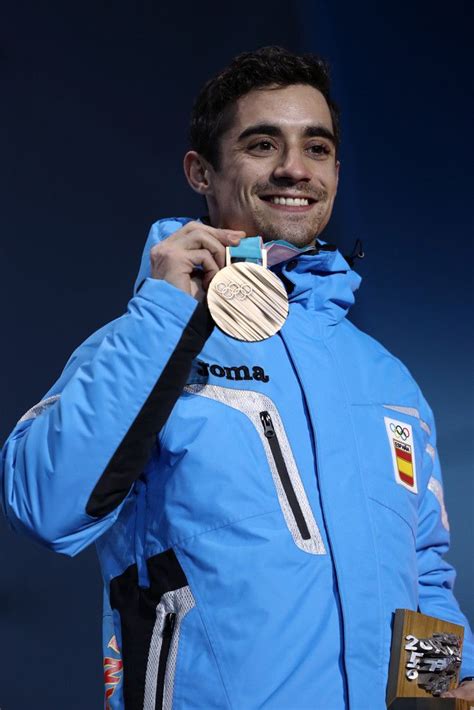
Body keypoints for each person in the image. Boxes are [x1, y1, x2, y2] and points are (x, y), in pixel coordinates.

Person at [1, 46, 473, 709]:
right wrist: (165, 312)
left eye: (316, 148)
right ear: (201, 170)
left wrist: (433, 699)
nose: (293, 169)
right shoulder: (145, 343)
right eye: (261, 144)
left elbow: (422, 570)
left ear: (336, 170)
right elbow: (44, 505)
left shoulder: (386, 378)